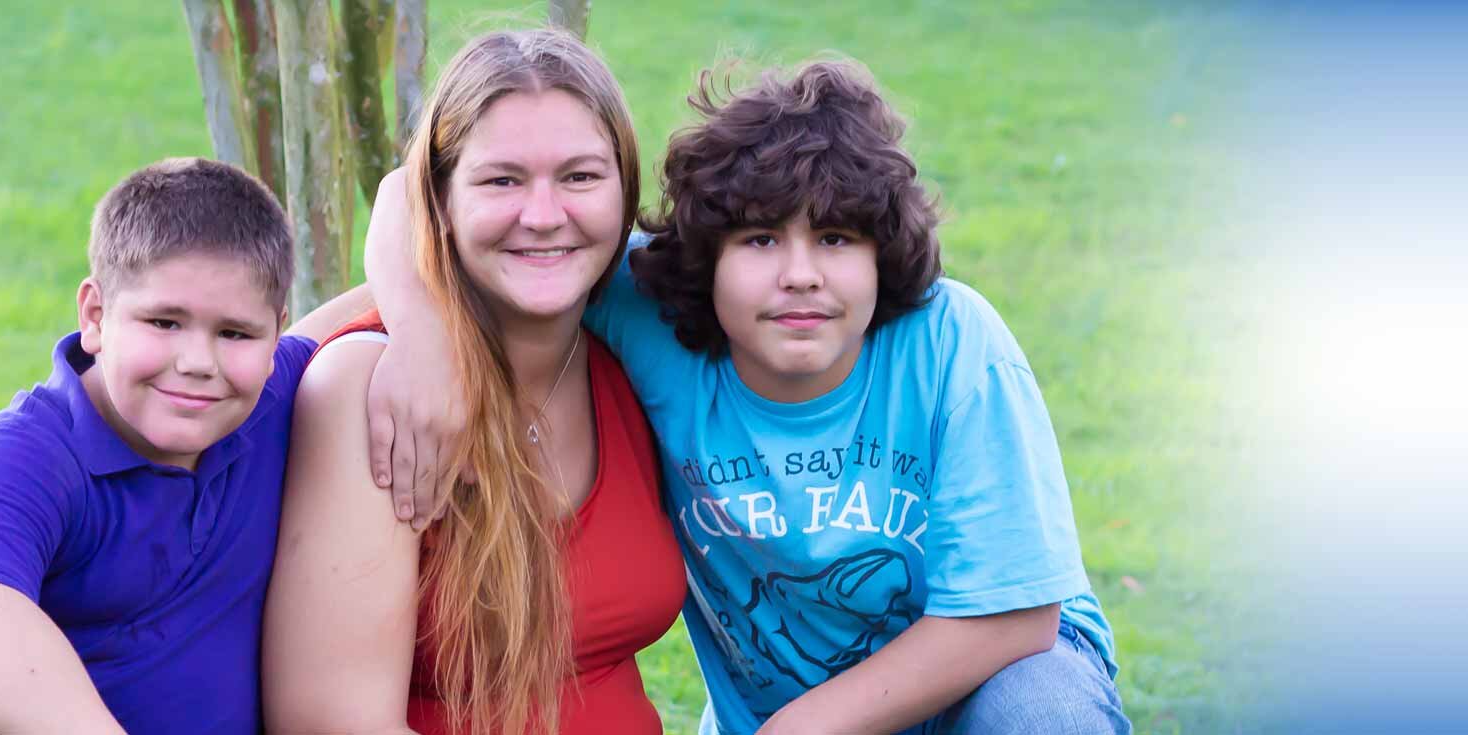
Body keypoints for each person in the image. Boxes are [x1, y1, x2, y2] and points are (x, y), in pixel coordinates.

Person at [365, 61, 1128, 734]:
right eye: (760, 240)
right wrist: (420, 330)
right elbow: (411, 194)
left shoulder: (950, 340)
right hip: (776, 711)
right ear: (702, 261)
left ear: (882, 250)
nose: (800, 273)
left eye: (836, 239)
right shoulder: (648, 307)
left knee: (1045, 712)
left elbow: (1016, 616)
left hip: (988, 687)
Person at [261, 29, 686, 735]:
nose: (545, 216)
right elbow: (331, 722)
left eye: (580, 177)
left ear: (625, 191)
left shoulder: (633, 345)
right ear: (442, 203)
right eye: (501, 180)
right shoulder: (371, 389)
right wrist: (425, 332)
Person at [0, 157, 366, 735]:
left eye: (234, 333)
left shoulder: (275, 394)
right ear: (96, 316)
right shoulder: (29, 451)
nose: (198, 363)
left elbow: (412, 275)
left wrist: (422, 328)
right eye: (163, 323)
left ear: (273, 333)